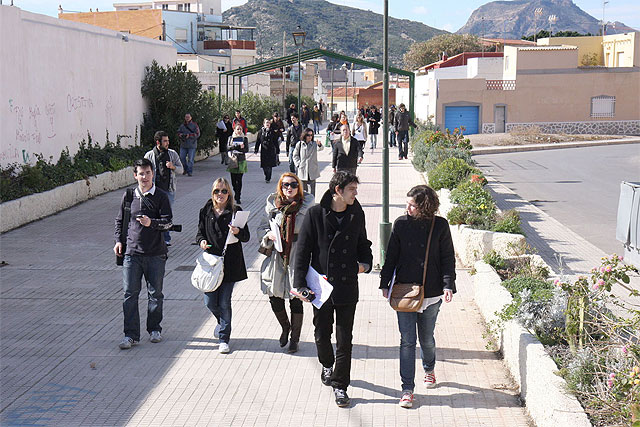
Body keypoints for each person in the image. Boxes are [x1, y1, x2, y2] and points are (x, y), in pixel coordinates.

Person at [294, 172, 373, 407]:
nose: (355, 193)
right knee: (321, 333)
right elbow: (303, 251)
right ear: (338, 190)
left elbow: (363, 243)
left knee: (345, 338)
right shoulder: (315, 214)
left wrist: (365, 264)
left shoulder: (356, 213)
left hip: (347, 285)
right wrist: (300, 284)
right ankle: (327, 365)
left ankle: (340, 385)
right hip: (321, 287)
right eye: (351, 189)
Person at [379, 185, 456, 408]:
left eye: (412, 205)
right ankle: (407, 389)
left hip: (431, 292)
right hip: (405, 292)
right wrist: (384, 283)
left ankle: (429, 368)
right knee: (407, 341)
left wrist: (448, 284)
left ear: (424, 206)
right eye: (407, 204)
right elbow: (390, 256)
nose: (407, 208)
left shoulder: (439, 225)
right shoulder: (401, 224)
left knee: (427, 339)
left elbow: (447, 257)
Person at [114, 158, 173, 350]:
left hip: (156, 254)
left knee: (155, 294)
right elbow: (120, 221)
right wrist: (118, 241)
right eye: (141, 173)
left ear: (153, 174)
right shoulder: (129, 196)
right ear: (135, 175)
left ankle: (154, 328)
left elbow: (168, 222)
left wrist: (152, 223)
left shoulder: (161, 196)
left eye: (148, 173)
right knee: (129, 294)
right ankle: (130, 335)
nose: (145, 177)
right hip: (132, 253)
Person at [258, 173, 315, 353]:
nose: (289, 188)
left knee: (296, 297)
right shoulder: (273, 206)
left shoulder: (307, 206)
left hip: (298, 255)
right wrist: (268, 235)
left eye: (292, 185)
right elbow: (262, 227)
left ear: (299, 186)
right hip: (277, 254)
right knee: (274, 295)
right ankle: (285, 327)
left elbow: (316, 232)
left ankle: (295, 339)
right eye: (284, 185)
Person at [196, 178, 250, 354]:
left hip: (230, 263)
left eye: (224, 191)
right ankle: (221, 323)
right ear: (212, 193)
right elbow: (199, 233)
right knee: (209, 301)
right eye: (217, 191)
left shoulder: (236, 211)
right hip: (211, 264)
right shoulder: (206, 210)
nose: (220, 194)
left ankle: (224, 338)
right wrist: (202, 241)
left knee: (225, 302)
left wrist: (238, 231)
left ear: (229, 193)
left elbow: (246, 236)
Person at [144, 131, 183, 246]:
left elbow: (181, 170)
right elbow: (143, 172)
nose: (167, 143)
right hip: (153, 190)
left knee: (166, 214)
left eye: (168, 140)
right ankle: (153, 238)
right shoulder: (149, 155)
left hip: (168, 190)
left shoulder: (172, 154)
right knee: (153, 214)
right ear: (158, 142)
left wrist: (173, 167)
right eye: (165, 141)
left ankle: (166, 239)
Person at [293, 128, 324, 195]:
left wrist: (319, 145)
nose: (310, 137)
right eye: (308, 135)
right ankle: (304, 204)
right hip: (303, 170)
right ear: (304, 135)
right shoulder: (300, 144)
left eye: (311, 135)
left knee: (312, 191)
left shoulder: (314, 144)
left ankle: (312, 204)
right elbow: (295, 155)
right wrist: (298, 164)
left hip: (312, 170)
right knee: (303, 191)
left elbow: (321, 148)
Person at [227, 124, 249, 204]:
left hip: (241, 161)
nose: (239, 131)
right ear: (234, 130)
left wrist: (242, 148)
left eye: (240, 129)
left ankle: (238, 196)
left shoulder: (244, 139)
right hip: (233, 160)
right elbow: (228, 148)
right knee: (233, 180)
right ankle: (235, 191)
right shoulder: (231, 138)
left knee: (239, 180)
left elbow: (246, 150)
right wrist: (235, 146)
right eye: (237, 129)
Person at [255, 118, 279, 183]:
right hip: (264, 150)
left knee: (269, 165)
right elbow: (258, 141)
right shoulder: (260, 132)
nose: (267, 124)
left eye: (268, 123)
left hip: (271, 150)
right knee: (264, 166)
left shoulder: (272, 132)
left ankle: (268, 178)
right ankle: (266, 174)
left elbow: (275, 141)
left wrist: (277, 150)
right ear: (264, 124)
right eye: (266, 123)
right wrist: (256, 149)